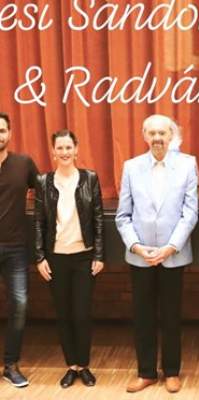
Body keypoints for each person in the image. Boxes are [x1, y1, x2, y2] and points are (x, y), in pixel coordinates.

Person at [115, 114, 198, 394]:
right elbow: (123, 215)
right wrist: (137, 247)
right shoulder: (131, 167)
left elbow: (190, 212)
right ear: (145, 136)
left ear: (171, 135)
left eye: (162, 133)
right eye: (152, 133)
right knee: (143, 316)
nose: (157, 138)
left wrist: (170, 247)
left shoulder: (188, 164)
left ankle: (172, 372)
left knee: (172, 316)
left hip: (173, 254)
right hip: (141, 256)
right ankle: (146, 372)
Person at [35, 129, 104, 388]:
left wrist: (99, 254)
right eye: (60, 148)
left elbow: (98, 218)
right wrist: (40, 257)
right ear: (53, 152)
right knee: (63, 314)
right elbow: (39, 222)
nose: (64, 152)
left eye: (68, 147)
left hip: (84, 257)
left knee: (82, 314)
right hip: (56, 258)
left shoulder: (90, 178)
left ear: (76, 150)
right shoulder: (43, 181)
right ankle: (71, 366)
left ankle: (84, 365)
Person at [0, 112, 38, 387]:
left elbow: (47, 191)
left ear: (10, 133)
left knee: (20, 304)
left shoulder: (23, 163)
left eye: (2, 130)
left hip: (15, 248)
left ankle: (10, 365)